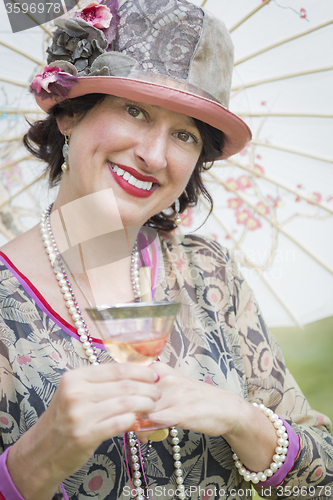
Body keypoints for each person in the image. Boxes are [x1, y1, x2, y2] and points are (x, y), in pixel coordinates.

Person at [0, 0, 332, 499]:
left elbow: (323, 475)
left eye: (184, 134)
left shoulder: (209, 272)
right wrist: (34, 461)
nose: (155, 155)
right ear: (69, 113)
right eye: (134, 110)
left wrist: (240, 419)